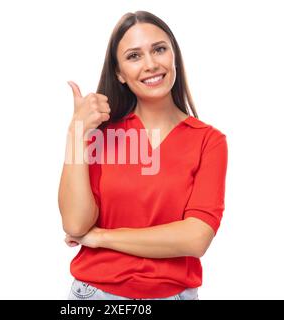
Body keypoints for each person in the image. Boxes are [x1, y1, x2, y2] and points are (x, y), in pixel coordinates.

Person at [58, 10, 228, 300]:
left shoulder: (208, 141)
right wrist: (76, 133)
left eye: (159, 50)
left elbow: (196, 238)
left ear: (174, 55)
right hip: (97, 295)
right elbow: (75, 224)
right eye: (134, 56)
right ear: (119, 73)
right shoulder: (102, 135)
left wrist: (101, 237)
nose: (151, 65)